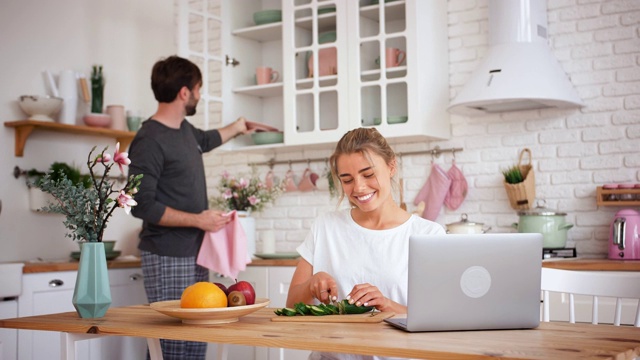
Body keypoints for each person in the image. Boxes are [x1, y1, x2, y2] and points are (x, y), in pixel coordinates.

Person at [128, 55, 251, 360]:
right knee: (171, 344)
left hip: (195, 251)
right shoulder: (149, 140)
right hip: (166, 252)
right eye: (198, 89)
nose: (199, 95)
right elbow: (140, 205)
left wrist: (238, 127)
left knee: (196, 338)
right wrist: (198, 220)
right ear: (185, 92)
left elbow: (208, 139)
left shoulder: (185, 131)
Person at [286, 127, 445, 360]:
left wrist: (387, 305)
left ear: (391, 167)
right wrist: (311, 284)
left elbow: (438, 321)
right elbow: (291, 306)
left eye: (368, 174)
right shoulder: (325, 227)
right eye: (347, 179)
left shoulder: (428, 234)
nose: (358, 188)